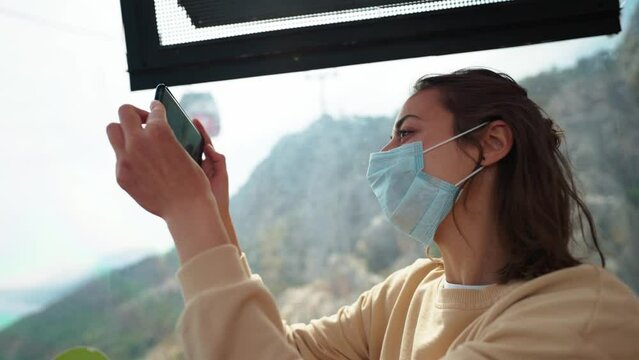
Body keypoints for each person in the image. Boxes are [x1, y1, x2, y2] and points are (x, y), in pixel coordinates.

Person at [107, 68, 639, 359]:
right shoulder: (411, 292)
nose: (385, 155)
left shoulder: (579, 318)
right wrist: (214, 217)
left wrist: (187, 214)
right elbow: (283, 351)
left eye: (406, 133)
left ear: (490, 143)